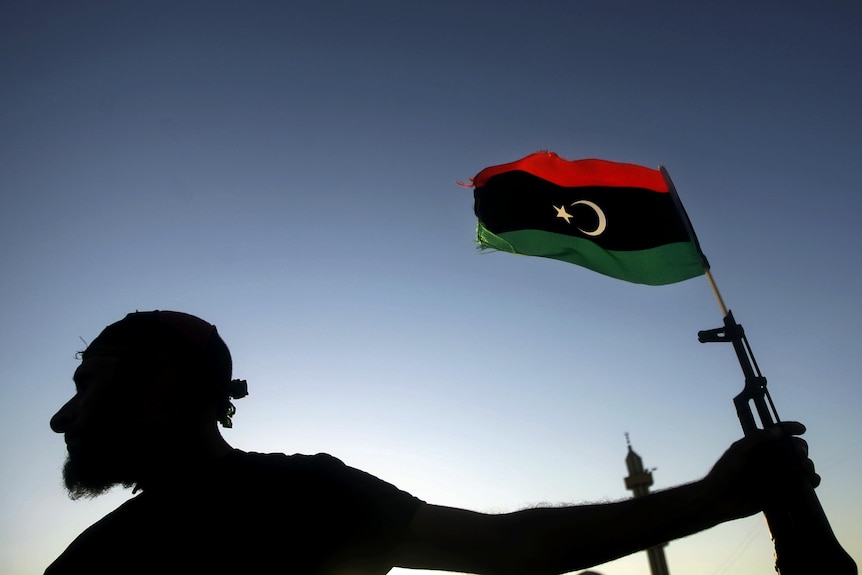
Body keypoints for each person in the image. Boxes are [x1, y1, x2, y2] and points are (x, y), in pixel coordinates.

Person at [47, 310, 820, 575]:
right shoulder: (92, 557)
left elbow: (515, 549)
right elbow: (514, 550)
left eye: (89, 381)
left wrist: (717, 498)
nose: (64, 415)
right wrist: (717, 499)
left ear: (158, 384)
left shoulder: (292, 497)